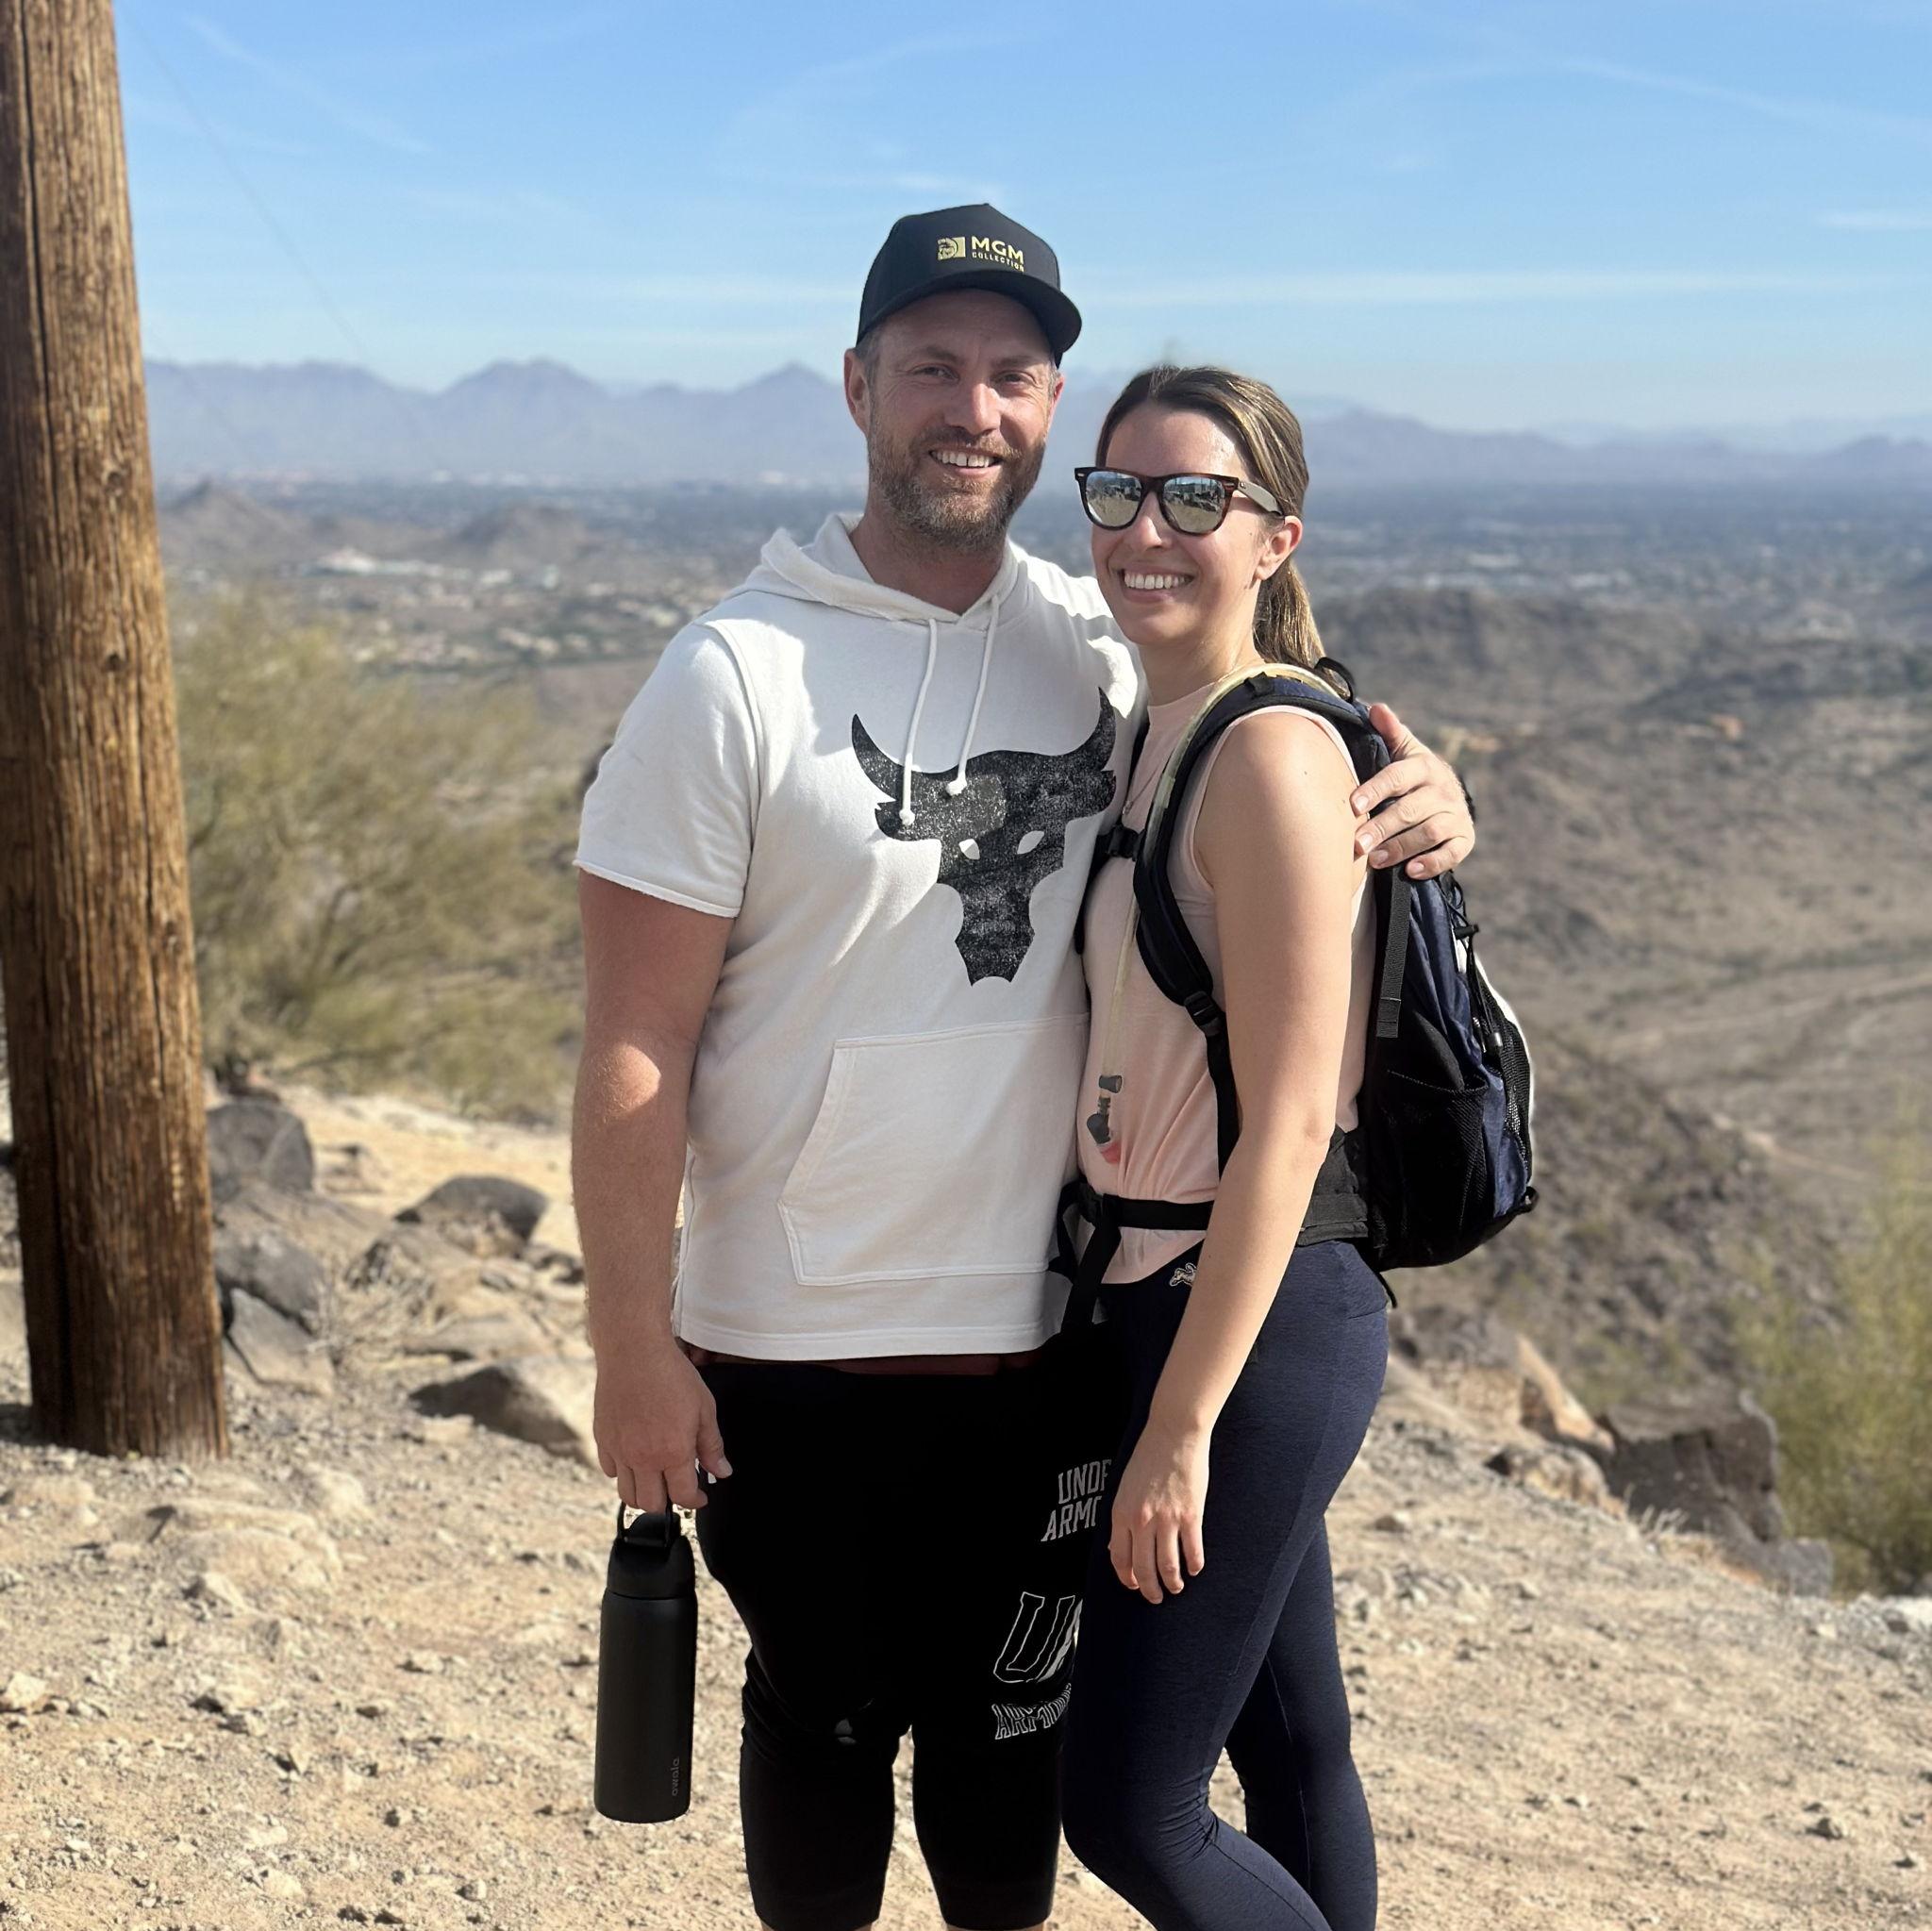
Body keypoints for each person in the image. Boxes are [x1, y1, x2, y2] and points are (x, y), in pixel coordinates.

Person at [571, 206, 1474, 1931]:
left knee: (1014, 1782)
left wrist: (1428, 795)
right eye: (932, 368)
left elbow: (1270, 723)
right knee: (823, 1736)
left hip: (1048, 1344)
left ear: (1050, 409)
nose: (971, 409)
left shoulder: (1093, 639)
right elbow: (635, 1040)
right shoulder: (730, 674)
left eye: (1010, 375)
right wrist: (629, 1341)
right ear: (858, 388)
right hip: (790, 1345)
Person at [1055, 365, 1399, 1931]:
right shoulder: (1159, 723)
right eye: (1119, 492)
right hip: (1173, 1299)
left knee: (1131, 1806)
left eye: (1195, 498)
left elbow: (1294, 1125)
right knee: (1290, 1742)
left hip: (1245, 1322)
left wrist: (1181, 1425)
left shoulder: (1263, 752)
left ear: (1274, 539)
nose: (1148, 529)